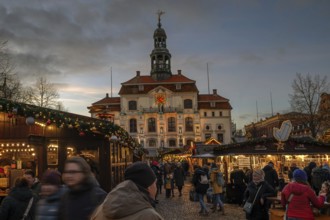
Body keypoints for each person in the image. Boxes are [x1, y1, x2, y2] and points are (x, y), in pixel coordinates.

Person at [91, 161, 164, 220]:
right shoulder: (150, 216)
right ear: (149, 187)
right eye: (155, 183)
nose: (156, 187)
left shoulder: (101, 208)